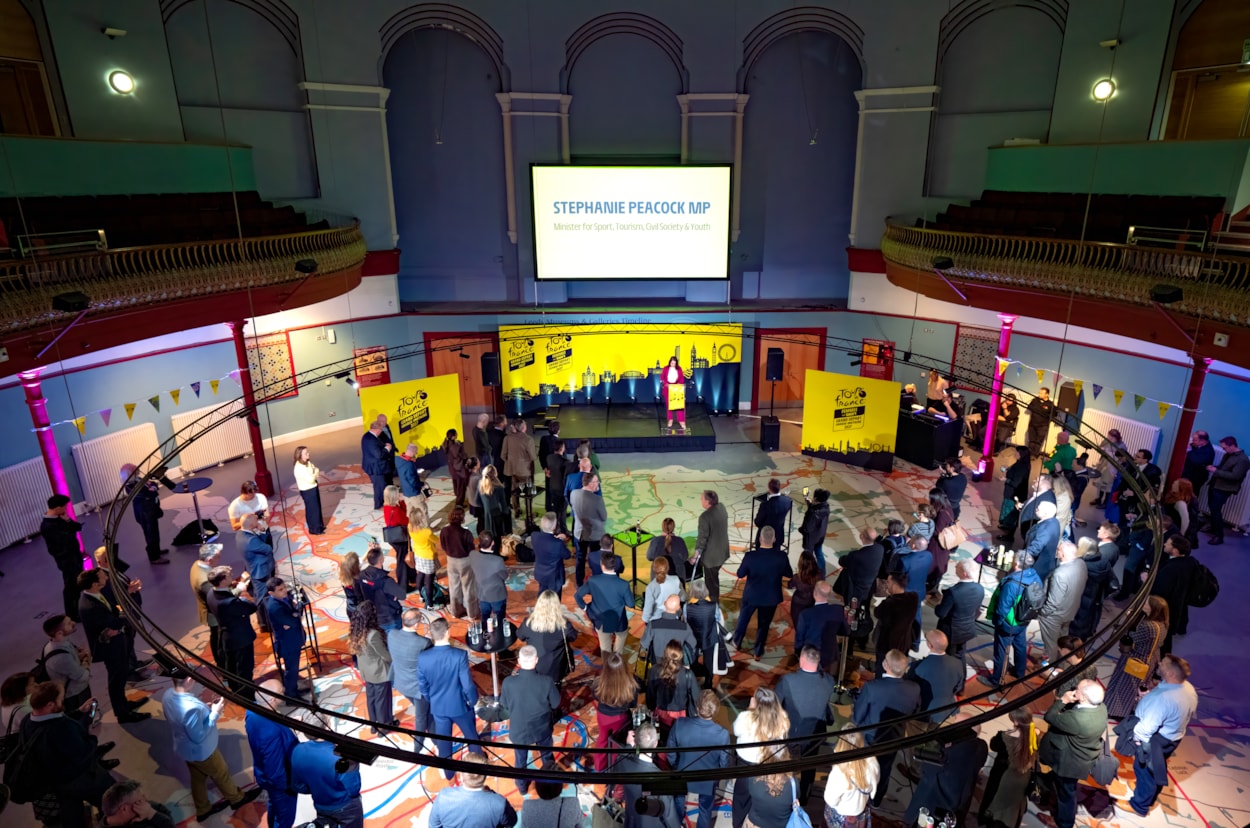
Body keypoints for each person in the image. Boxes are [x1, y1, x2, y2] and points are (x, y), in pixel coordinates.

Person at [162, 670, 262, 821]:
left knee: (197, 777)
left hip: (185, 748)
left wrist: (203, 711)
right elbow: (198, 736)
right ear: (189, 679)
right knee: (221, 773)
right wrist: (215, 713)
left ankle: (203, 809)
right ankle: (237, 799)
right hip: (201, 751)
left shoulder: (168, 695)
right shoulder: (190, 708)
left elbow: (182, 721)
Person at [20, 681, 118, 828]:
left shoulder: (27, 721)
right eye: (60, 698)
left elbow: (58, 718)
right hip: (81, 779)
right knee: (113, 801)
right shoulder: (61, 728)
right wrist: (91, 736)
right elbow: (83, 754)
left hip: (57, 783)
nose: (63, 700)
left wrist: (79, 711)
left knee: (72, 818)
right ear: (50, 705)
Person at [1118, 654, 1199, 818]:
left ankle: (1139, 805)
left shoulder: (1165, 699)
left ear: (1170, 674)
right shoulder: (1187, 688)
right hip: (1172, 737)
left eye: (1164, 664)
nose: (1159, 663)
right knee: (1155, 768)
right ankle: (1147, 792)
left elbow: (1147, 727)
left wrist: (1137, 741)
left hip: (1154, 739)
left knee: (1144, 770)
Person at [78, 569, 150, 723]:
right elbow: (116, 621)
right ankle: (123, 714)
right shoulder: (90, 605)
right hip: (110, 648)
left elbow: (113, 610)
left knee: (120, 676)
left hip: (116, 641)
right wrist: (124, 613)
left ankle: (123, 705)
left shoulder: (96, 595)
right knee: (116, 680)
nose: (107, 577)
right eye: (103, 577)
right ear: (95, 584)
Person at [853, 649, 922, 806]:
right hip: (895, 737)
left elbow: (858, 717)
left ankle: (860, 799)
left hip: (870, 738)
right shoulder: (914, 688)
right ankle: (876, 800)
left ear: (886, 665)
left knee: (864, 768)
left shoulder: (872, 687)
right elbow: (915, 710)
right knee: (885, 769)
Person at [418, 616, 484, 777]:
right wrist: (473, 700)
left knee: (444, 742)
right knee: (471, 738)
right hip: (460, 706)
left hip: (438, 707)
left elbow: (422, 685)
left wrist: (431, 699)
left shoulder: (423, 657)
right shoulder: (459, 655)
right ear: (447, 632)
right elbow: (467, 684)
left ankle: (448, 773)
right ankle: (478, 771)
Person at [1039, 679, 1107, 828]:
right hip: (1083, 756)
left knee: (1067, 793)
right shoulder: (1101, 708)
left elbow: (1049, 717)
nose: (1074, 690)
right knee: (1064, 786)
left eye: (1077, 689)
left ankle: (1064, 823)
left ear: (1083, 697)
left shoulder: (1077, 719)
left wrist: (1063, 700)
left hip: (1069, 764)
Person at [902, 710, 988, 826]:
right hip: (958, 809)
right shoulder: (981, 748)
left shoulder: (945, 754)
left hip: (933, 807)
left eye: (955, 725)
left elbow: (925, 769)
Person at [777, 645, 836, 801]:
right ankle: (804, 796)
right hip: (815, 731)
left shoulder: (788, 680)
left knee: (784, 760)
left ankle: (780, 790)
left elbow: (776, 703)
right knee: (809, 765)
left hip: (792, 731)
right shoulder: (829, 681)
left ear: (802, 658)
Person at [499, 644, 561, 790]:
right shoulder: (546, 681)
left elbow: (505, 706)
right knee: (546, 756)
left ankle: (522, 787)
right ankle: (549, 783)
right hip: (542, 728)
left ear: (519, 661)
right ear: (536, 660)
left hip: (519, 730)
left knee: (520, 760)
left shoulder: (508, 682)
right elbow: (556, 703)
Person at [666, 689, 729, 828]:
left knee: (678, 802)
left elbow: (670, 751)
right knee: (705, 810)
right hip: (707, 779)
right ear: (715, 710)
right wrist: (717, 778)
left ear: (697, 707)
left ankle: (675, 824)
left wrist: (675, 766)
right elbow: (724, 762)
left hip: (682, 773)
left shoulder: (680, 724)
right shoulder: (723, 734)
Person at [978, 554, 1041, 689]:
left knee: (1001, 651)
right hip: (1024, 619)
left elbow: (1002, 608)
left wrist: (998, 622)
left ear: (1016, 564)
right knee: (1020, 645)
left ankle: (996, 679)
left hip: (1009, 623)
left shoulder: (1012, 584)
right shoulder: (1035, 576)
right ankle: (1019, 672)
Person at [243, 679, 299, 828]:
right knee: (285, 819)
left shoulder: (252, 710)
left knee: (274, 806)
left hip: (263, 775)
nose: (284, 691)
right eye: (282, 690)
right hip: (280, 784)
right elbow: (275, 770)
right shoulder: (271, 732)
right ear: (273, 699)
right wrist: (289, 787)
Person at [731, 688, 791, 827]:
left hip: (746, 766)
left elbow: (735, 730)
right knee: (759, 799)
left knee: (741, 799)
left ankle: (737, 824)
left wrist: (750, 709)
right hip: (767, 766)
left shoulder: (746, 717)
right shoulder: (782, 719)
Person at [731, 526, 793, 659]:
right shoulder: (781, 556)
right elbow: (789, 573)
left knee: (743, 619)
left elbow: (740, 574)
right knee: (763, 625)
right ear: (775, 539)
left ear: (760, 539)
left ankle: (736, 642)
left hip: (751, 595)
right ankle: (758, 652)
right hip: (771, 598)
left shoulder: (750, 556)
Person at [979, 707, 1037, 828]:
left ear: (1015, 721)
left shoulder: (1004, 736)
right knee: (1013, 809)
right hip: (1023, 778)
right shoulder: (1034, 736)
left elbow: (993, 745)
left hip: (1003, 778)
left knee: (995, 805)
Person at [291, 737, 364, 828]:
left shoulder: (297, 751)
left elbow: (298, 786)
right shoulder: (340, 757)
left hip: (321, 805)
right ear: (328, 724)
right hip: (345, 805)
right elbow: (353, 789)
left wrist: (318, 788)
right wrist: (353, 764)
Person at [428, 752, 518, 827]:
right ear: (485, 777)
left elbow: (433, 825)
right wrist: (492, 793)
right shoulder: (499, 803)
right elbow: (512, 822)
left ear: (461, 776)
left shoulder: (444, 796)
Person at [207, 566, 257, 699]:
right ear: (223, 580)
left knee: (231, 667)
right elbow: (251, 608)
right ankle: (248, 697)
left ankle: (235, 691)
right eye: (229, 575)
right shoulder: (229, 602)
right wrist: (242, 596)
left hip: (226, 636)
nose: (232, 576)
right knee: (244, 668)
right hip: (241, 638)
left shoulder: (211, 593)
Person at [387, 608, 432, 749]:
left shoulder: (391, 634)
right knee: (421, 717)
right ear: (417, 624)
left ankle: (432, 729)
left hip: (400, 681)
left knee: (426, 712)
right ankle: (417, 747)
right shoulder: (423, 642)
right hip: (417, 688)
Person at [348, 600, 394, 733]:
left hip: (366, 671)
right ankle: (384, 726)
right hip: (378, 672)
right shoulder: (373, 634)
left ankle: (374, 725)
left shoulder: (356, 631)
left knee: (372, 699)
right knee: (382, 701)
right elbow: (384, 655)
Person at [1148, 534, 1199, 654]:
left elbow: (1159, 590)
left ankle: (1161, 665)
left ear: (1175, 550)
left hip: (1166, 611)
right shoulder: (1189, 562)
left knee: (1163, 642)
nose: (1165, 544)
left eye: (1168, 543)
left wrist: (1148, 581)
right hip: (1176, 609)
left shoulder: (1172, 569)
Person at [1037, 540, 1087, 663]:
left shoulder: (1060, 574)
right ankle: (1061, 662)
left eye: (1058, 550)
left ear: (1063, 554)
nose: (1056, 552)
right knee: (1063, 641)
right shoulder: (1081, 564)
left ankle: (1048, 668)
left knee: (1051, 643)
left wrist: (1043, 613)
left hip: (1054, 616)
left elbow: (1054, 601)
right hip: (1070, 611)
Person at [576, 551, 633, 655]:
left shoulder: (593, 580)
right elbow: (631, 604)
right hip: (619, 621)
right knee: (619, 646)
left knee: (605, 651)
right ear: (615, 566)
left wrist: (585, 608)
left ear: (602, 566)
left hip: (601, 620)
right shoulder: (624, 584)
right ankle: (616, 663)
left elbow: (577, 596)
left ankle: (607, 668)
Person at [832, 528, 885, 639]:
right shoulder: (879, 549)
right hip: (869, 587)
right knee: (864, 609)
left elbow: (842, 561)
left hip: (855, 590)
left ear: (862, 537)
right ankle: (863, 629)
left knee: (852, 612)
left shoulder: (856, 556)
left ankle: (853, 634)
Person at [1068, 525, 1119, 641]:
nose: (1098, 530)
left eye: (1100, 529)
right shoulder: (1110, 551)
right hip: (1094, 590)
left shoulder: (1088, 563)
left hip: (1089, 591)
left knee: (1085, 616)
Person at [590, 651, 637, 772]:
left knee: (602, 739)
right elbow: (633, 704)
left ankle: (600, 767)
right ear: (623, 668)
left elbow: (594, 696)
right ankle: (614, 767)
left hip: (603, 716)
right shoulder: (631, 685)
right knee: (616, 743)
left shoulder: (598, 682)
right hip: (620, 718)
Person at [518, 589, 577, 685]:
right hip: (556, 668)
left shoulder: (528, 623)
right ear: (557, 606)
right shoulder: (564, 625)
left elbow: (520, 636)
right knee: (555, 690)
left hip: (533, 665)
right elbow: (573, 637)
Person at [41, 494, 85, 621]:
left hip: (74, 556)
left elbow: (77, 528)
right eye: (64, 507)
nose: (66, 509)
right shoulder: (48, 526)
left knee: (76, 585)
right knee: (71, 586)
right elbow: (61, 543)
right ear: (57, 508)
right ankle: (72, 613)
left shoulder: (59, 518)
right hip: (67, 559)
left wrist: (68, 520)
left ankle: (76, 609)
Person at [40, 614, 93, 718]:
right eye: (69, 623)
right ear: (59, 633)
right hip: (75, 696)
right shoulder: (60, 658)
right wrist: (86, 662)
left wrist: (78, 656)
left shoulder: (60, 643)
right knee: (83, 719)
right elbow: (81, 676)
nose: (73, 623)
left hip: (77, 691)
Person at [823, 730, 879, 828]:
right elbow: (875, 784)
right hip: (860, 813)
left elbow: (830, 800)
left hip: (841, 816)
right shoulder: (872, 762)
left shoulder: (839, 772)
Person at [935, 560, 985, 667]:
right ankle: (961, 679)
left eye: (958, 567)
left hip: (951, 632)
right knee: (960, 655)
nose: (955, 567)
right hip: (967, 628)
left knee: (949, 659)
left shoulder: (953, 592)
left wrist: (940, 602)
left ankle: (951, 680)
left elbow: (940, 613)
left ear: (964, 573)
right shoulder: (980, 589)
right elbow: (976, 609)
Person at [908, 630, 965, 723]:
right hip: (943, 712)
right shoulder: (957, 663)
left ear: (930, 645)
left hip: (921, 714)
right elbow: (957, 688)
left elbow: (910, 690)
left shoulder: (917, 667)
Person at [793, 581, 849, 674]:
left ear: (814, 593)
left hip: (810, 654)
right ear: (829, 595)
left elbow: (799, 637)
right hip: (830, 654)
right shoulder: (838, 610)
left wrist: (798, 653)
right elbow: (845, 631)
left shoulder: (805, 614)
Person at [265, 577, 307, 699]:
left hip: (293, 636)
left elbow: (294, 617)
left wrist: (295, 614)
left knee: (294, 667)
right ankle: (291, 696)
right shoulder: (274, 607)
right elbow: (294, 620)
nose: (285, 591)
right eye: (280, 590)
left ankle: (293, 690)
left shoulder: (283, 598)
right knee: (291, 669)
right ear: (271, 593)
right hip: (288, 642)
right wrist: (296, 612)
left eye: (284, 588)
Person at [119, 464, 169, 564]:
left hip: (150, 510)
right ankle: (154, 557)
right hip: (145, 512)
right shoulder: (130, 487)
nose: (138, 472)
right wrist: (151, 490)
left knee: (154, 531)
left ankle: (157, 550)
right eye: (136, 471)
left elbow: (153, 484)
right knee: (150, 533)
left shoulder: (138, 480)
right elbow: (149, 493)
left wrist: (152, 488)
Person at [685, 578, 731, 684]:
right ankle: (708, 682)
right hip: (709, 637)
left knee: (692, 658)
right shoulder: (713, 605)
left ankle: (692, 680)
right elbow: (718, 621)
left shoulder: (687, 607)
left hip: (693, 637)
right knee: (709, 661)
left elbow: (686, 621)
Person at [1205, 435, 1249, 545]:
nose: (1223, 450)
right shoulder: (1228, 455)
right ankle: (1213, 527)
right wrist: (1214, 467)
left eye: (1224, 448)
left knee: (1216, 510)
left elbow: (1236, 476)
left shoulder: (1242, 460)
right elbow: (1222, 468)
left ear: (1232, 446)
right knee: (1212, 507)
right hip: (1216, 484)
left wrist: (1216, 471)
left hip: (1224, 488)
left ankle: (1219, 536)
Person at [646, 640, 698, 729]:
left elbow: (650, 695)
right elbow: (696, 697)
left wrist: (651, 708)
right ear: (681, 655)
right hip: (681, 716)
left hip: (660, 714)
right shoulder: (688, 674)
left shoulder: (654, 670)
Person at [874, 572, 919, 674]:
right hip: (904, 642)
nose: (887, 584)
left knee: (882, 671)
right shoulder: (913, 598)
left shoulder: (889, 604)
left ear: (894, 584)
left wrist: (889, 597)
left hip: (887, 646)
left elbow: (877, 612)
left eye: (888, 582)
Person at [892, 535, 932, 643]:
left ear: (913, 545)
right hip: (920, 591)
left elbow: (899, 577)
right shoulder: (928, 555)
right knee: (917, 616)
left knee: (902, 618)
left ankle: (901, 640)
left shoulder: (905, 560)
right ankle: (916, 641)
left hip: (907, 593)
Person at [191, 544, 226, 667]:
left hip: (208, 610)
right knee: (219, 641)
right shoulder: (204, 580)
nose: (219, 560)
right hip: (213, 615)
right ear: (210, 560)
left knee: (217, 638)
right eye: (217, 557)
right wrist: (237, 589)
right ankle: (223, 667)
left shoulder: (197, 564)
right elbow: (218, 597)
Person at [570, 472, 608, 586]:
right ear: (591, 484)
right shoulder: (597, 500)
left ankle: (579, 583)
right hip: (594, 534)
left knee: (580, 558)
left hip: (579, 532)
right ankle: (596, 583)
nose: (598, 484)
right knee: (596, 559)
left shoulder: (573, 493)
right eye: (597, 481)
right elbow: (604, 517)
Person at [441, 506, 479, 619]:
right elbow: (471, 550)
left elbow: (443, 546)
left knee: (454, 587)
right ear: (462, 518)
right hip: (465, 561)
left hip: (451, 560)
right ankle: (472, 613)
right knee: (468, 587)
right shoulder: (466, 533)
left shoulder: (444, 531)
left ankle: (456, 611)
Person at [359, 543, 405, 632]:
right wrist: (394, 593)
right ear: (382, 560)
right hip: (389, 617)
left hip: (372, 615)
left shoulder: (362, 575)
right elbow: (402, 595)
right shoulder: (386, 581)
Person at [693, 490, 729, 602]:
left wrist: (696, 554)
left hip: (711, 558)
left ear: (707, 501)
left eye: (702, 499)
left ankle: (713, 603)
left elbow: (702, 538)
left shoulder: (705, 517)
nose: (700, 501)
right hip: (722, 552)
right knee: (714, 577)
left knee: (711, 582)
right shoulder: (721, 508)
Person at [470, 531, 510, 630]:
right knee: (500, 619)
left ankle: (485, 636)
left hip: (482, 594)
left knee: (485, 617)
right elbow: (505, 576)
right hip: (497, 595)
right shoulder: (497, 561)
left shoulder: (472, 555)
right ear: (492, 543)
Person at [99, 781, 175, 828]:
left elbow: (162, 809)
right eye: (140, 800)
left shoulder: (143, 808)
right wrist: (152, 815)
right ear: (124, 808)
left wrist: (151, 813)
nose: (145, 800)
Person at [531, 512, 572, 598]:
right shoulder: (558, 544)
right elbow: (567, 555)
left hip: (540, 573)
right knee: (554, 600)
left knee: (542, 596)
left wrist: (556, 540)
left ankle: (541, 610)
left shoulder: (534, 536)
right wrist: (562, 541)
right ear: (554, 527)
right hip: (554, 577)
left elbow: (547, 542)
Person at [501, 418, 537, 513]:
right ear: (524, 427)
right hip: (526, 471)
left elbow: (503, 455)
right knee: (528, 491)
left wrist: (512, 462)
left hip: (512, 470)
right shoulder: (528, 439)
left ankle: (517, 510)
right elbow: (533, 457)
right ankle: (529, 511)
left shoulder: (507, 438)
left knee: (514, 491)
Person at [381, 485, 412, 591]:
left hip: (393, 537)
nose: (400, 494)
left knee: (403, 558)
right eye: (398, 493)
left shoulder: (387, 506)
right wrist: (403, 502)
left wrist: (401, 502)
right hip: (400, 538)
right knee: (402, 561)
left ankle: (412, 577)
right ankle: (403, 586)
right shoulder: (396, 510)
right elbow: (406, 520)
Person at [997, 446, 1032, 542]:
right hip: (1014, 493)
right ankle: (1006, 528)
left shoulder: (1022, 467)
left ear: (1021, 454)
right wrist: (1009, 469)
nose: (1014, 454)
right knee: (1010, 514)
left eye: (1017, 453)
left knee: (1011, 514)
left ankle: (1009, 535)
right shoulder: (1022, 464)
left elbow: (1015, 482)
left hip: (1014, 494)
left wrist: (1005, 479)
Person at [641, 556, 685, 626]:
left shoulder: (651, 586)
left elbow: (648, 609)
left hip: (656, 621)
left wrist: (645, 620)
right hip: (673, 617)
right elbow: (683, 598)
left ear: (654, 569)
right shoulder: (676, 580)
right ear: (668, 567)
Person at [291, 446, 325, 534]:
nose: (308, 454)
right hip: (308, 491)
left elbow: (315, 468)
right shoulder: (299, 468)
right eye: (306, 453)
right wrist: (315, 473)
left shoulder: (307, 463)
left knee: (317, 508)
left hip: (313, 488)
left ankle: (319, 526)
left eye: (307, 452)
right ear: (300, 456)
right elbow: (311, 478)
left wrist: (315, 472)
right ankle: (315, 529)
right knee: (312, 510)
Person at [410, 508, 440, 607]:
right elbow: (435, 540)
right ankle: (430, 604)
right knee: (428, 581)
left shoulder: (410, 527)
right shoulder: (426, 531)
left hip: (418, 554)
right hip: (427, 556)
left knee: (420, 575)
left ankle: (421, 596)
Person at [1024, 500, 1061, 579]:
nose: (1036, 509)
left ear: (1045, 514)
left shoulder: (1045, 529)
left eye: (1038, 509)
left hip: (1038, 566)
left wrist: (1021, 556)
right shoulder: (1054, 521)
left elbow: (1036, 548)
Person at [647, 516, 690, 582]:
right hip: (678, 577)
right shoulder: (680, 541)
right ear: (673, 527)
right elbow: (685, 557)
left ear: (662, 527)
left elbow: (649, 557)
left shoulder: (655, 541)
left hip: (658, 578)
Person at [787, 552, 822, 633]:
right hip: (812, 602)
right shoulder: (819, 574)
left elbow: (790, 585)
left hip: (798, 604)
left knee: (798, 626)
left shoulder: (797, 578)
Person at [798, 488, 831, 574]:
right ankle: (822, 573)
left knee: (808, 557)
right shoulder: (826, 507)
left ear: (816, 498)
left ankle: (809, 574)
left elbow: (807, 528)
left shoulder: (813, 512)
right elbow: (816, 510)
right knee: (819, 554)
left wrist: (801, 530)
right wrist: (809, 502)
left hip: (810, 539)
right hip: (820, 536)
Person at [478, 464, 512, 541]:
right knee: (499, 535)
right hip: (497, 515)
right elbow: (503, 504)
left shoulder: (480, 484)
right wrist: (507, 513)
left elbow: (478, 500)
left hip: (487, 514)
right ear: (495, 474)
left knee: (490, 535)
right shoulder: (499, 487)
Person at [754, 477, 792, 547]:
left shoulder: (765, 505)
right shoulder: (788, 501)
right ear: (779, 487)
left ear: (769, 489)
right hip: (778, 535)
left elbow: (758, 522)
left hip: (765, 538)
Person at [361, 419, 391, 509]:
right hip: (375, 468)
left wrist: (383, 446)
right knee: (379, 487)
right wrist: (387, 449)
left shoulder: (368, 436)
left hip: (374, 466)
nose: (381, 432)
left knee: (381, 485)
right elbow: (378, 455)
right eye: (381, 430)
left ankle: (382, 502)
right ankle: (378, 506)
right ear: (377, 430)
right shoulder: (371, 440)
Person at [1025, 387, 1055, 455]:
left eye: (1041, 393)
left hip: (1043, 426)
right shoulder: (1035, 400)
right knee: (1031, 440)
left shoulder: (1050, 404)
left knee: (1038, 441)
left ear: (1047, 394)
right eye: (1039, 392)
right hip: (1032, 424)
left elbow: (1052, 415)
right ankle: (1028, 454)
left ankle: (1034, 455)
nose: (1039, 394)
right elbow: (1029, 408)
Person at [339, 550, 366, 619]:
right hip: (362, 610)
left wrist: (369, 550)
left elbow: (354, 564)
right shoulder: (359, 581)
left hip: (350, 608)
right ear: (356, 567)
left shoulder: (343, 577)